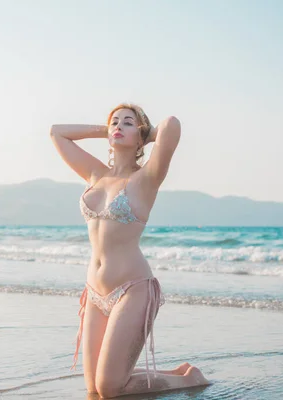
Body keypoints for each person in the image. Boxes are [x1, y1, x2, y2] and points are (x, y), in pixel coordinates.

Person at [50, 103, 210, 398]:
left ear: (142, 134)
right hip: (95, 293)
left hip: (133, 289)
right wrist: (108, 131)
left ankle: (189, 380)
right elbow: (57, 133)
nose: (119, 126)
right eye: (115, 122)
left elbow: (172, 124)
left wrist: (144, 134)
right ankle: (175, 372)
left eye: (127, 122)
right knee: (93, 389)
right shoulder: (96, 173)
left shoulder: (147, 177)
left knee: (109, 388)